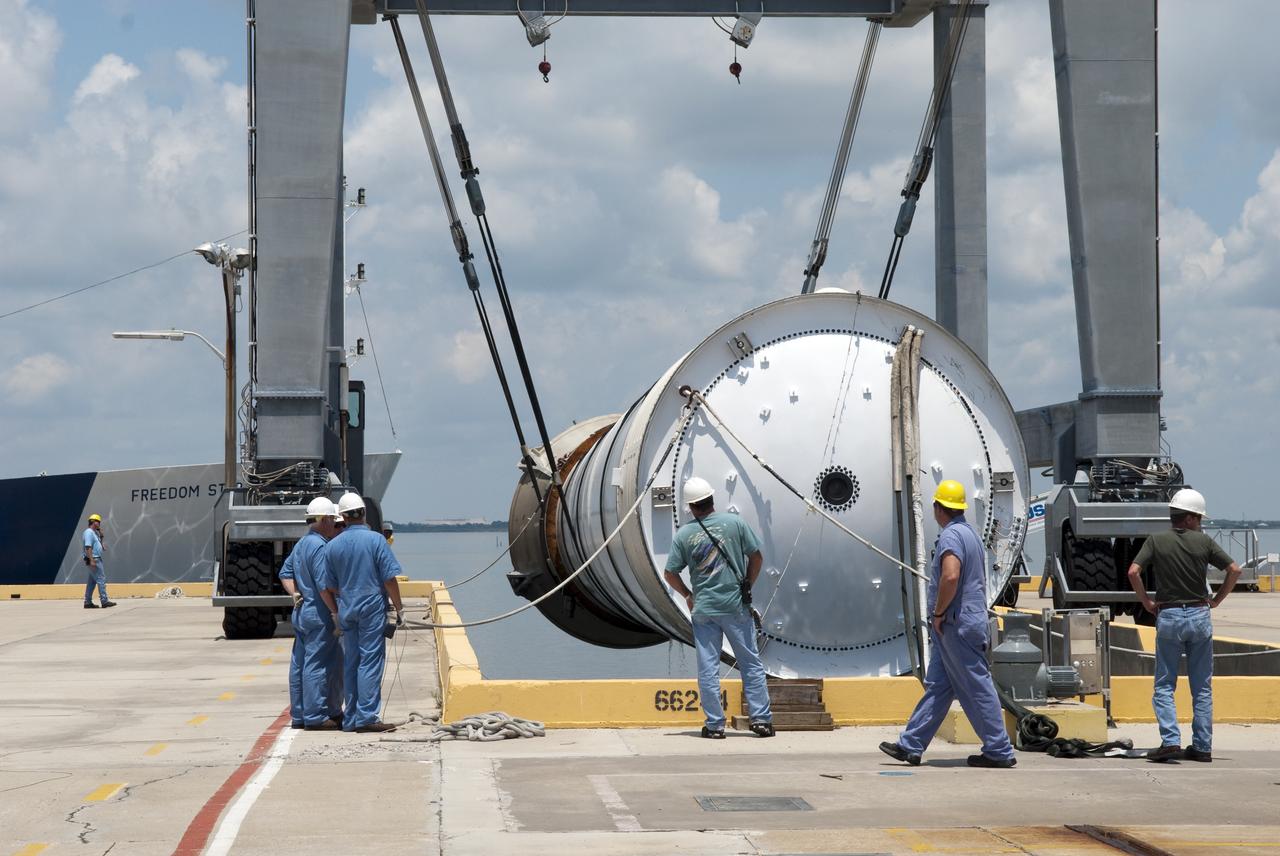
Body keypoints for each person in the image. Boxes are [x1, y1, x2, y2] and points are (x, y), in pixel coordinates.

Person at [880, 480, 1016, 769]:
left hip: (955, 624)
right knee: (939, 686)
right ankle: (911, 745)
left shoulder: (951, 536)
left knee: (977, 686)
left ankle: (999, 750)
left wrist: (939, 613)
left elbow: (951, 575)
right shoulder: (970, 534)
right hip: (963, 624)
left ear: (939, 508)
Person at [1127, 488, 1241, 763]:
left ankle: (1170, 740)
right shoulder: (1204, 542)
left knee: (1165, 684)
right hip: (1200, 615)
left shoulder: (1156, 540)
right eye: (1199, 518)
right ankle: (1202, 746)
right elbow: (1235, 570)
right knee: (1201, 687)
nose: (1200, 523)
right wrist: (1217, 599)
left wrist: (1146, 602)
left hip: (1169, 616)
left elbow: (1133, 571)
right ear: (1190, 518)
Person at [663, 476, 774, 739]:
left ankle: (715, 726)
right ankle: (761, 721)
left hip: (704, 610)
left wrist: (687, 594)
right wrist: (747, 584)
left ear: (691, 507)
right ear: (712, 499)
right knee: (750, 663)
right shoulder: (735, 523)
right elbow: (757, 557)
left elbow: (669, 573)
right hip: (735, 607)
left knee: (708, 668)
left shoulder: (684, 535)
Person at [317, 492, 404, 733]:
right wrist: (400, 608)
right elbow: (389, 579)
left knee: (352, 662)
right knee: (370, 661)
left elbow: (329, 585)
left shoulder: (332, 546)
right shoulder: (376, 540)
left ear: (343, 517)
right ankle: (367, 717)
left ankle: (352, 717)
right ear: (364, 513)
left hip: (347, 607)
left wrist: (350, 590)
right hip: (371, 607)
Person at [279, 497, 344, 731]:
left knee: (299, 664)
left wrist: (295, 594)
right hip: (319, 614)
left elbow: (285, 573)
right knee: (319, 664)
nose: (335, 525)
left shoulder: (302, 543)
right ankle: (316, 715)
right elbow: (323, 585)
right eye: (333, 520)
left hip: (301, 611)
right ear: (325, 519)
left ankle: (299, 714)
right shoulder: (320, 547)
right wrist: (335, 612)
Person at [81, 513, 116, 609]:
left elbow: (98, 545)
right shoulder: (89, 532)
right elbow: (88, 547)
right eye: (98, 522)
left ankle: (87, 602)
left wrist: (101, 536)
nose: (99, 524)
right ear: (93, 522)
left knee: (91, 582)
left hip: (95, 559)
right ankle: (104, 601)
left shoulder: (94, 533)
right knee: (101, 580)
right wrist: (91, 560)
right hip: (94, 559)